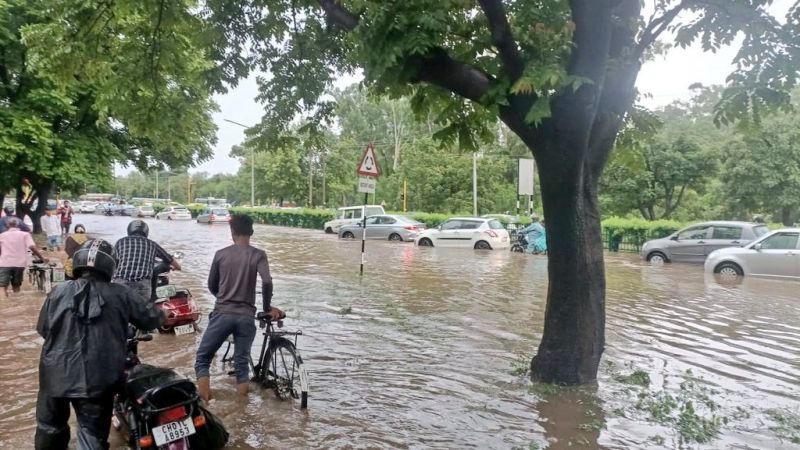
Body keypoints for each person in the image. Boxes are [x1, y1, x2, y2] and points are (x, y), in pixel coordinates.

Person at [34, 239, 164, 449]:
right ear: (111, 266)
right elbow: (151, 319)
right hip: (98, 380)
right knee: (91, 436)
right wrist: (162, 312)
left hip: (53, 376)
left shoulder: (58, 291)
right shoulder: (122, 293)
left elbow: (44, 330)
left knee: (49, 429)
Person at [195, 214, 282, 402]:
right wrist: (267, 307)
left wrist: (224, 298)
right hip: (246, 317)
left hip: (222, 314)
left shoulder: (221, 254)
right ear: (251, 231)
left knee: (203, 358)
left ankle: (205, 404)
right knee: (242, 363)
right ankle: (242, 409)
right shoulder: (258, 254)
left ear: (232, 231)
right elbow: (267, 281)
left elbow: (212, 285)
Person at [113, 220, 180, 301]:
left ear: (129, 230)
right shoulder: (152, 244)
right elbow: (169, 259)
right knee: (143, 309)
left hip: (120, 284)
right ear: (146, 232)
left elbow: (113, 260)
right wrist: (177, 267)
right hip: (142, 286)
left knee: (118, 307)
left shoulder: (120, 242)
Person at [0, 217, 48, 298]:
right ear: (18, 225)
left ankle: (4, 304)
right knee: (16, 286)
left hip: (4, 263)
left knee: (2, 286)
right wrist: (42, 258)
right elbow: (32, 247)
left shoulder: (2, 235)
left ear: (7, 225)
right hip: (19, 264)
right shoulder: (25, 235)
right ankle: (16, 301)